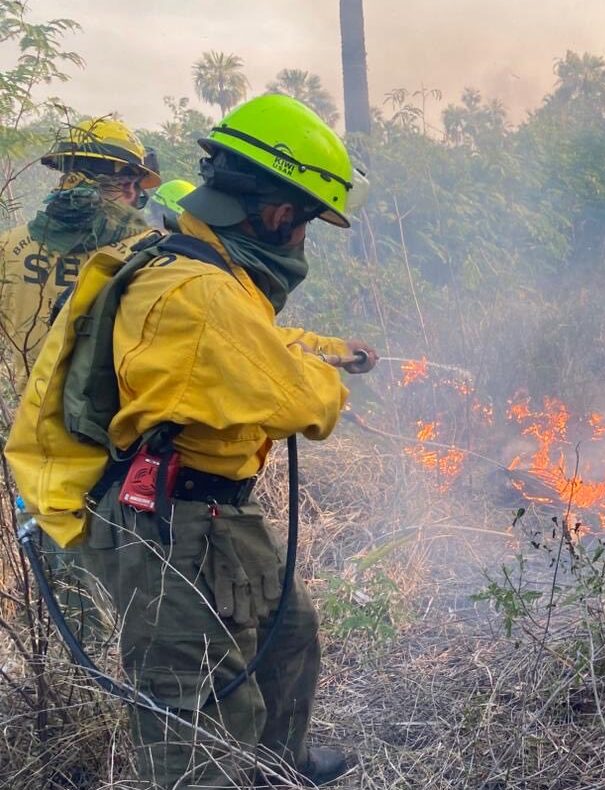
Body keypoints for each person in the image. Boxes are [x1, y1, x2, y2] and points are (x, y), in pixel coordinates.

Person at [6, 94, 378, 788]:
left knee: (288, 634)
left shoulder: (197, 269)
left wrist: (314, 353)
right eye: (304, 224)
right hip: (170, 525)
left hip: (210, 512)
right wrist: (321, 378)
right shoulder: (197, 293)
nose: (300, 241)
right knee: (194, 700)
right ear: (275, 213)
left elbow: (259, 347)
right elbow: (304, 401)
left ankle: (280, 767)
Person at [0, 116, 158, 386]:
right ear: (127, 186)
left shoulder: (8, 245)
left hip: (30, 414)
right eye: (136, 189)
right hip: (104, 421)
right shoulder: (148, 252)